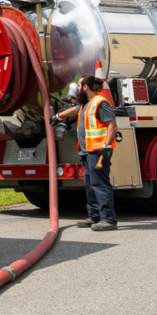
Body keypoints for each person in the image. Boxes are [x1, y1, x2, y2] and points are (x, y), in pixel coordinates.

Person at [55, 76, 117, 230]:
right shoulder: (85, 105)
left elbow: (112, 126)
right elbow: (73, 110)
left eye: (78, 85)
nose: (76, 88)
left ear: (85, 87)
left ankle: (108, 220)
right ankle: (94, 217)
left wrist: (106, 147)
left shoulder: (100, 103)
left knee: (100, 184)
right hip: (87, 152)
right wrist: (58, 116)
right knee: (90, 185)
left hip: (98, 151)